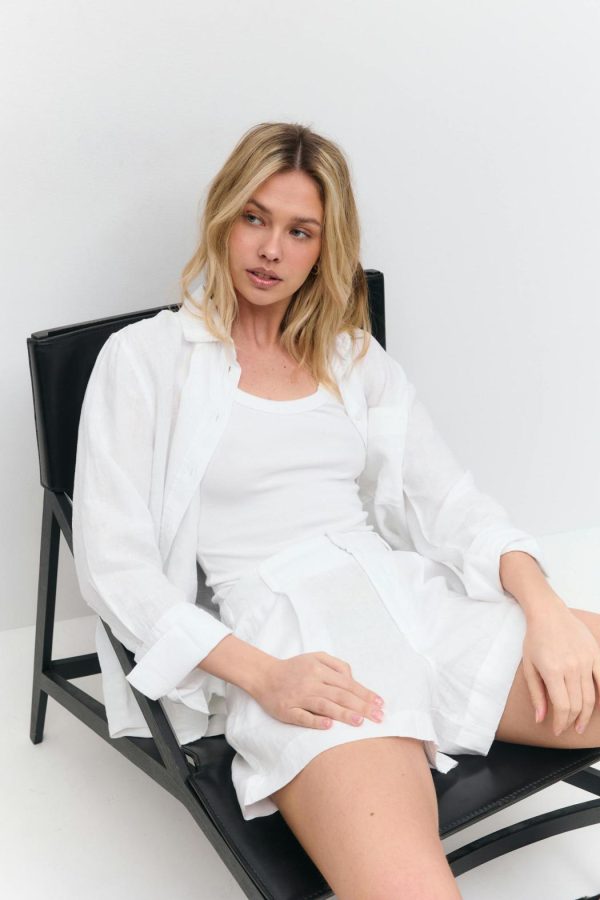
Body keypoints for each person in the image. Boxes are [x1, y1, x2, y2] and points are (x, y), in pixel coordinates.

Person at [72, 121, 600, 899]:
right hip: (299, 644)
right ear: (222, 216)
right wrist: (264, 677)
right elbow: (115, 568)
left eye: (300, 231)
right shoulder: (146, 360)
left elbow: (449, 502)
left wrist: (545, 609)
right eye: (254, 218)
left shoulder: (353, 358)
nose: (270, 250)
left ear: (326, 247)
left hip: (414, 604)